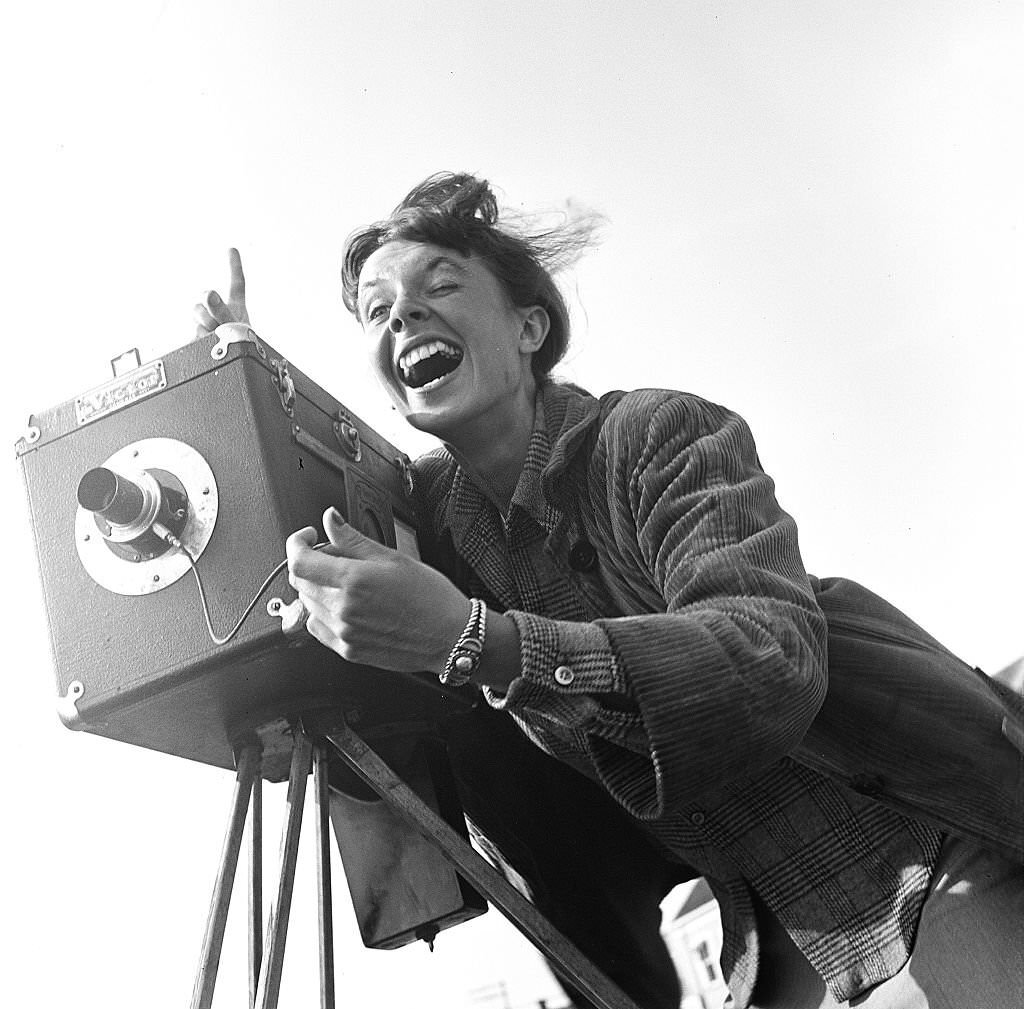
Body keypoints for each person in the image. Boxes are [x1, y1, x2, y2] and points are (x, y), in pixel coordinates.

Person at [195, 174, 1023, 1009]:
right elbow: (332, 491)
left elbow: (771, 656)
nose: (402, 316)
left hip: (914, 843)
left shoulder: (657, 436)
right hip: (764, 920)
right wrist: (238, 384)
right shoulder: (437, 520)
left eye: (440, 285)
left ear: (529, 327)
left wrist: (485, 640)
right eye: (376, 310)